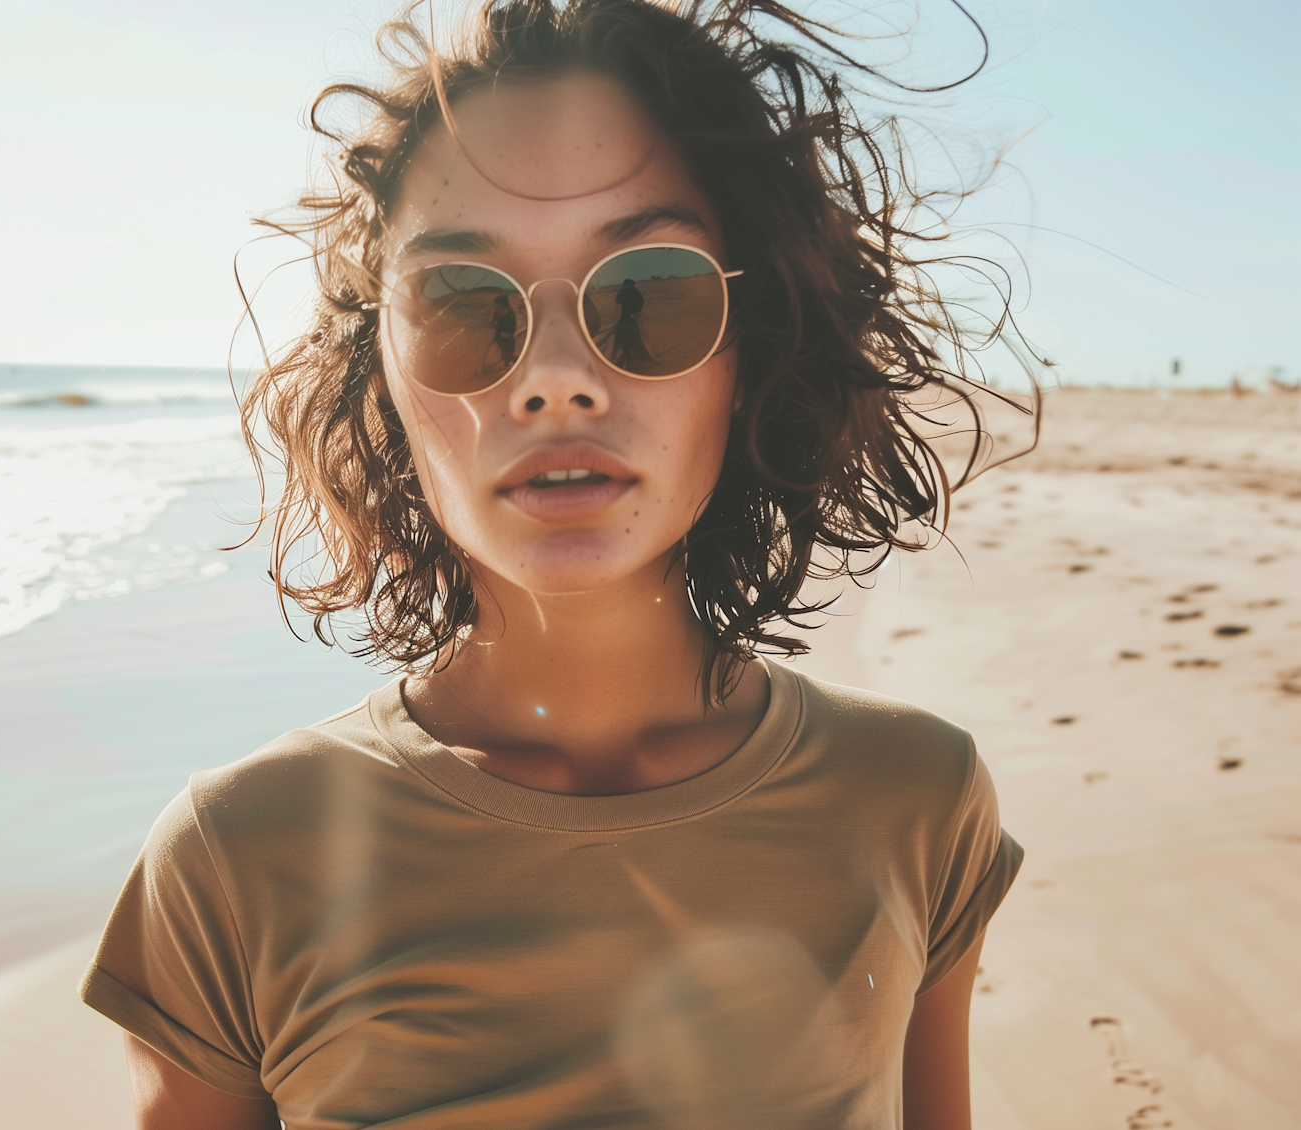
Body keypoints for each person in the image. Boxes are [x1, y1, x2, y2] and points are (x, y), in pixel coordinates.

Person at [80, 0, 1025, 1126]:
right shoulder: (233, 861)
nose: (557, 379)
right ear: (379, 366)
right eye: (464, 305)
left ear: (749, 347)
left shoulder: (915, 798)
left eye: (648, 293)